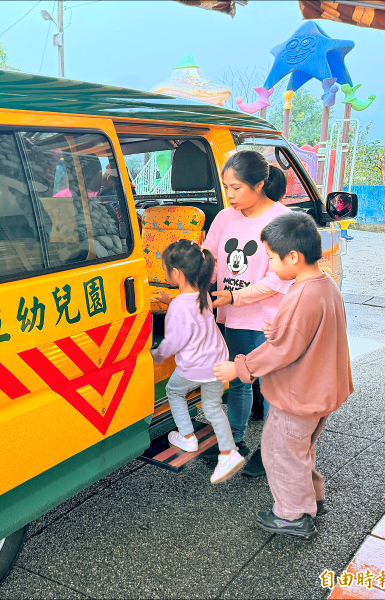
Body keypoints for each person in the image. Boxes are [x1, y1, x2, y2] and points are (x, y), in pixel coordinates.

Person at [213, 212, 352, 539]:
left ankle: (291, 516)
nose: (271, 265)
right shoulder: (324, 284)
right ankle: (312, 499)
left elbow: (281, 349)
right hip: (322, 391)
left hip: (299, 396)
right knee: (300, 450)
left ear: (293, 256)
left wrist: (239, 367)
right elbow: (310, 332)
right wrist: (282, 328)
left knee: (280, 453)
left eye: (272, 258)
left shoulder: (302, 295)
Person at [199, 150, 292, 477]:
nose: (231, 195)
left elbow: (276, 278)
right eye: (227, 187)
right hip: (236, 318)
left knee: (270, 388)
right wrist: (194, 283)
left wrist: (234, 296)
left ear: (260, 184)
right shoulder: (225, 217)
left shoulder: (282, 221)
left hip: (270, 321)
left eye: (237, 188)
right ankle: (234, 443)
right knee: (239, 382)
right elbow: (209, 259)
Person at [151, 239, 245, 484]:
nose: (164, 273)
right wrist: (169, 299)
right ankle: (228, 451)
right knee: (212, 406)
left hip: (194, 366)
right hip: (218, 360)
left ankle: (187, 436)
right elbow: (186, 306)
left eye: (164, 269)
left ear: (176, 273)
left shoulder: (178, 308)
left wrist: (156, 356)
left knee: (173, 391)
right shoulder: (201, 292)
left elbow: (173, 342)